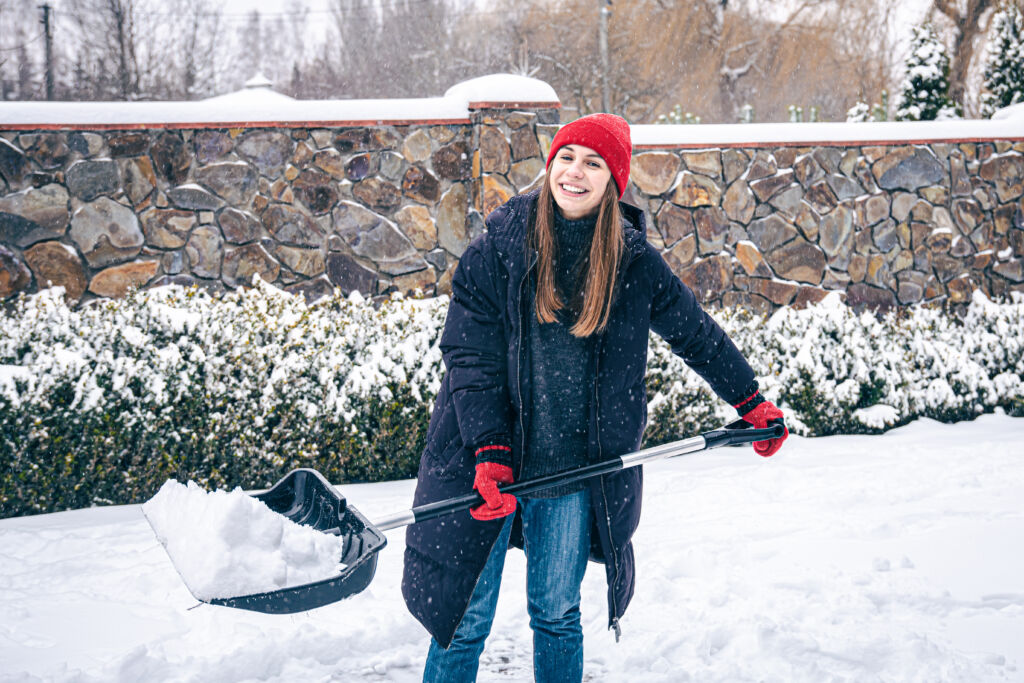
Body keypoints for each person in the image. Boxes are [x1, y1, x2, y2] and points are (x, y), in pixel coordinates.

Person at [401, 113, 788, 683]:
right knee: (463, 620)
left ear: (614, 179)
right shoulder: (499, 247)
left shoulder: (631, 261)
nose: (574, 173)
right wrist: (488, 452)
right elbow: (470, 357)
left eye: (593, 162)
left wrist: (749, 399)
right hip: (481, 467)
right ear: (550, 164)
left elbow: (694, 332)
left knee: (556, 615)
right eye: (566, 158)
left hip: (569, 473)